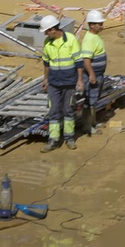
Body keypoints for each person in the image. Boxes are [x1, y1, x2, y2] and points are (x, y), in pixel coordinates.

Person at [39, 15, 87, 150]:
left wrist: (79, 80)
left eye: (46, 31)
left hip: (69, 82)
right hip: (54, 83)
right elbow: (46, 63)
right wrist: (46, 79)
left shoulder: (71, 40)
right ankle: (53, 139)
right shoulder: (48, 42)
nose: (45, 34)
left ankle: (69, 138)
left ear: (53, 29)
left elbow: (78, 62)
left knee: (68, 110)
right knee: (53, 110)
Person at [78, 9, 107, 133]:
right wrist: (92, 75)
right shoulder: (89, 40)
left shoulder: (95, 37)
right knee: (89, 100)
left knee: (94, 99)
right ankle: (87, 126)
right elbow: (86, 60)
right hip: (92, 75)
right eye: (99, 24)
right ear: (91, 25)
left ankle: (93, 122)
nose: (101, 26)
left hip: (98, 74)